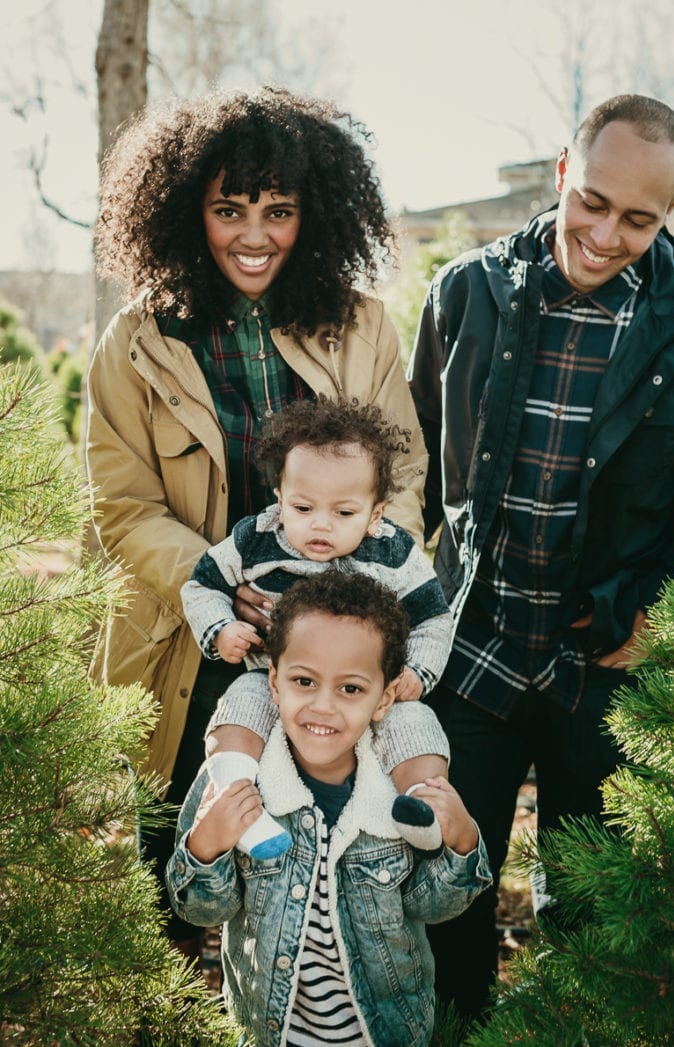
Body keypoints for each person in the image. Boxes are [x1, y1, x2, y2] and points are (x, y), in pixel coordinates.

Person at [85, 87, 428, 963]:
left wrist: (353, 602)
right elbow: (123, 510)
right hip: (193, 646)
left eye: (278, 210)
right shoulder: (135, 342)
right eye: (227, 208)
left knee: (323, 885)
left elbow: (405, 478)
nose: (253, 233)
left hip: (337, 655)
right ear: (182, 210)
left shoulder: (363, 327)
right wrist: (220, 586)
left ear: (314, 216)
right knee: (180, 881)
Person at [407, 93, 674, 1022]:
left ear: (669, 215)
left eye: (639, 218)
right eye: (594, 202)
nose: (607, 233)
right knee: (447, 896)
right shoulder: (465, 291)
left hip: (604, 669)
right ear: (563, 172)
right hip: (473, 657)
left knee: (585, 928)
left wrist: (655, 606)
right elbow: (415, 470)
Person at [166, 570, 492, 1047]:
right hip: (269, 1036)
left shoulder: (397, 793)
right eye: (304, 681)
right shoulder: (238, 780)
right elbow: (200, 910)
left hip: (384, 1036)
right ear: (274, 683)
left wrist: (463, 842)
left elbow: (432, 907)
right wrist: (204, 846)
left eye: (351, 689)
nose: (323, 707)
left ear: (384, 699)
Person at [180, 397, 452, 861]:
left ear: (376, 512)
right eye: (303, 508)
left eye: (344, 513)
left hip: (365, 690)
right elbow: (200, 585)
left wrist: (419, 673)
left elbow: (433, 618)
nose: (320, 525)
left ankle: (422, 814)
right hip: (279, 682)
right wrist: (221, 629)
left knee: (415, 721)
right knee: (241, 703)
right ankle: (237, 801)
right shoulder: (257, 538)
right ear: (280, 499)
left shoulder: (393, 553)